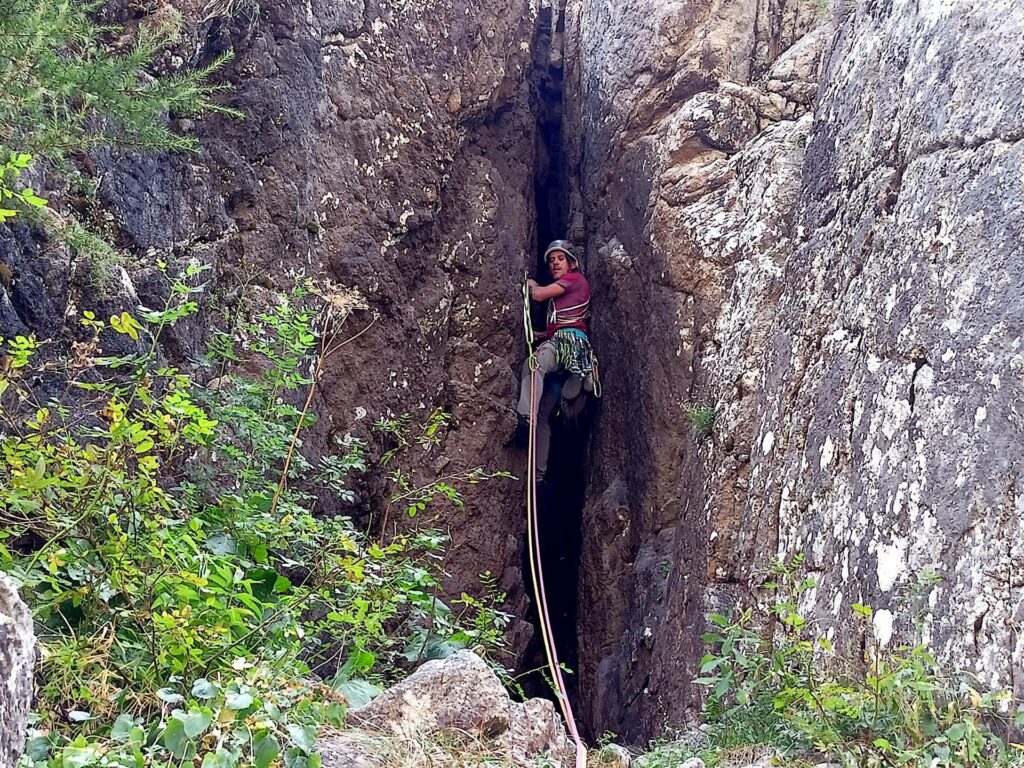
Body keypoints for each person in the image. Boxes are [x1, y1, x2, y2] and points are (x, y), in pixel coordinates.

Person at [516, 239, 598, 482]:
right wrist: (539, 335)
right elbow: (561, 323)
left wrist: (529, 284)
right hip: (568, 349)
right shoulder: (567, 294)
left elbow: (539, 295)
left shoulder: (574, 279)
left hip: (566, 343)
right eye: (551, 261)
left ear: (571, 263)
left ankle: (524, 417)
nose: (554, 264)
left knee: (534, 365)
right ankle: (539, 475)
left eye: (559, 259)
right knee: (543, 413)